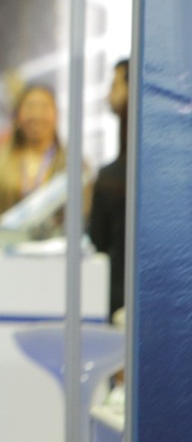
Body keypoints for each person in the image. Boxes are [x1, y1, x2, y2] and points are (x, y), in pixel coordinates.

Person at [0, 83, 66, 233]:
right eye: (30, 107)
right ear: (18, 115)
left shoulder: (70, 164)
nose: (37, 115)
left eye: (44, 107)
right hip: (5, 244)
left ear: (56, 114)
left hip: (56, 246)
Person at [89, 59, 130, 317]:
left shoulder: (113, 178)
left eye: (115, 86)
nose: (108, 95)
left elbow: (98, 240)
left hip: (119, 300)